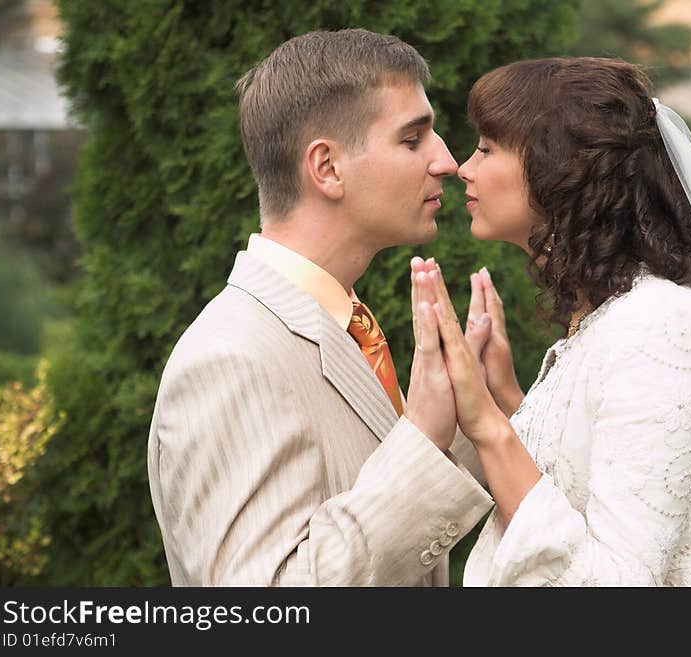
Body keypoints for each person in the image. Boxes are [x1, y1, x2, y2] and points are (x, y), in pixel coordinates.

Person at [409, 57, 691, 585]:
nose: (463, 167)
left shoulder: (665, 329)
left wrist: (484, 423)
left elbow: (617, 580)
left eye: (487, 148)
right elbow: (593, 475)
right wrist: (508, 397)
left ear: (561, 170)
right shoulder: (615, 318)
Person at [146, 29, 492, 586]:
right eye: (412, 139)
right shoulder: (231, 360)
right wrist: (424, 439)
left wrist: (473, 424)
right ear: (327, 168)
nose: (447, 161)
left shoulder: (343, 326)